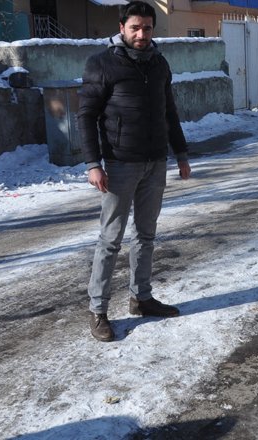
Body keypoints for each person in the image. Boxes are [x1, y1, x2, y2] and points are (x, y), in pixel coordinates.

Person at [77, 1, 191, 342]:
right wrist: (93, 163)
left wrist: (181, 154)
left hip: (155, 163)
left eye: (148, 28)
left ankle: (141, 298)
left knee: (146, 235)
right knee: (110, 239)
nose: (142, 34)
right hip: (119, 164)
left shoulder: (159, 63)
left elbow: (169, 112)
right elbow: (85, 117)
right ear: (122, 28)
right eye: (135, 28)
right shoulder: (102, 64)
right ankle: (98, 310)